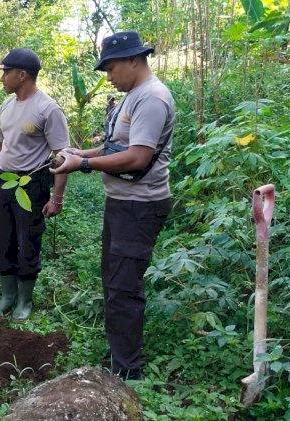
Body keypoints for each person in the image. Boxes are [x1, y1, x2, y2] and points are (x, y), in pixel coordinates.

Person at [52, 31, 174, 380]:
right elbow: (115, 147)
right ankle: (120, 352)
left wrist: (83, 165)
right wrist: (78, 153)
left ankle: (126, 372)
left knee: (123, 287)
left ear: (135, 60)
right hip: (123, 204)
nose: (108, 75)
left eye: (112, 67)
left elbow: (137, 157)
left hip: (139, 207)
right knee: (114, 279)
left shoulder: (151, 99)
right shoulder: (133, 95)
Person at [0, 48, 70, 322]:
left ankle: (24, 299)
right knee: (2, 239)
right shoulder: (6, 106)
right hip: (4, 183)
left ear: (22, 75)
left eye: (6, 72)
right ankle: (7, 296)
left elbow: (62, 156)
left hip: (32, 185)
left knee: (27, 241)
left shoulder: (48, 109)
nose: (2, 79)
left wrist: (57, 197)